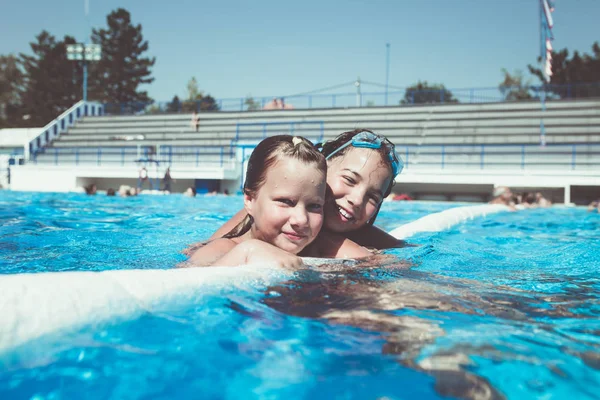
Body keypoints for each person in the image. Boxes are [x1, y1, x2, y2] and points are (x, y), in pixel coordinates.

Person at [197, 129, 405, 251]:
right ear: (322, 165)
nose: (357, 200)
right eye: (350, 179)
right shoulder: (263, 214)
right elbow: (205, 251)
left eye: (373, 197)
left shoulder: (369, 241)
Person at [186, 135, 370, 267]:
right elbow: (186, 286)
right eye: (286, 201)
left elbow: (379, 267)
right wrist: (247, 252)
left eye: (314, 206)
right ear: (250, 200)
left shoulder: (319, 248)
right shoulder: (222, 249)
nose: (301, 220)